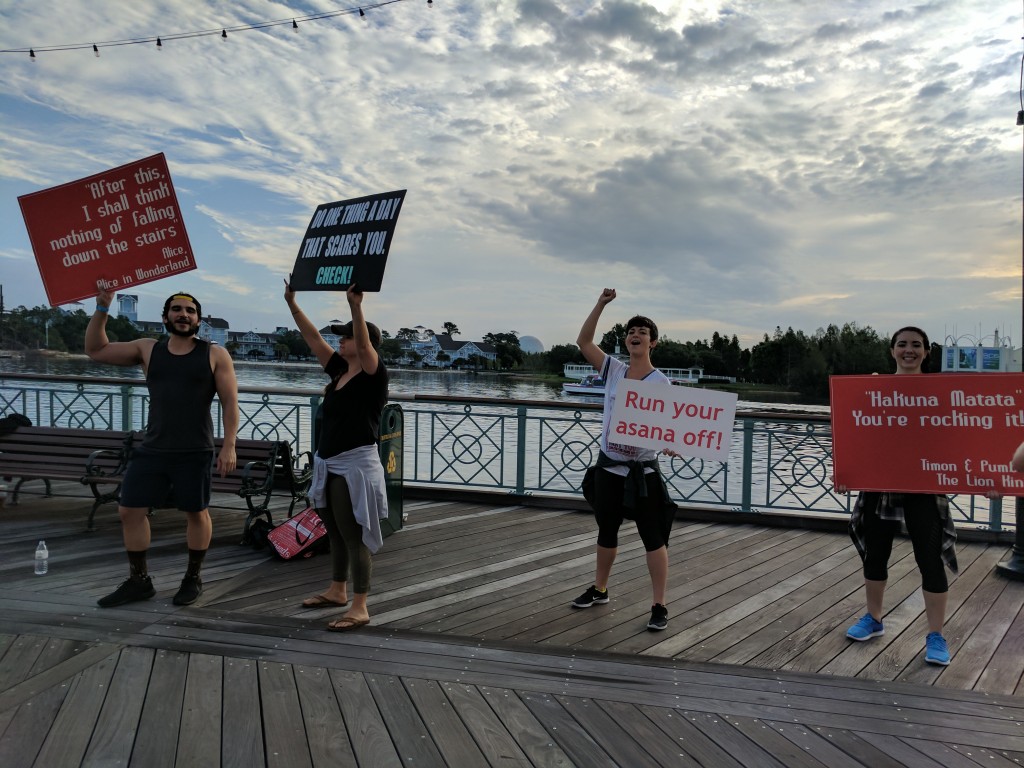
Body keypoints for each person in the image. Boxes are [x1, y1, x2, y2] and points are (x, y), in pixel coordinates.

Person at [86, 286, 239, 607]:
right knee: (129, 510)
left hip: (194, 450)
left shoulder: (214, 354)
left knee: (196, 513)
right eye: (177, 309)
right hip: (153, 448)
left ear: (198, 319)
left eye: (190, 310)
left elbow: (229, 403)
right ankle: (139, 581)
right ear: (166, 316)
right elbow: (96, 350)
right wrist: (102, 308)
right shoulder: (148, 349)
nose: (184, 314)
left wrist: (229, 445)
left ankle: (192, 578)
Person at [845, 326, 957, 665]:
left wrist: (983, 477)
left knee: (930, 559)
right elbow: (857, 433)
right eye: (902, 344)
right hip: (881, 485)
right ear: (892, 350)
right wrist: (846, 473)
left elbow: (960, 433)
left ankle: (936, 636)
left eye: (917, 345)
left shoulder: (941, 390)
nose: (909, 350)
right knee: (875, 555)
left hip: (924, 487)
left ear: (926, 352)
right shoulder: (874, 388)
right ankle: (874, 619)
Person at [284, 278, 389, 632]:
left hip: (355, 464)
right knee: (333, 530)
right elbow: (313, 339)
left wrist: (356, 307)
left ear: (365, 344)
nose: (340, 339)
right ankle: (336, 589)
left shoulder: (374, 375)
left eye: (346, 335)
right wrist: (292, 304)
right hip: (329, 463)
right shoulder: (340, 372)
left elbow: (362, 340)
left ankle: (360, 605)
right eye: (340, 335)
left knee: (353, 533)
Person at [571, 288, 676, 631]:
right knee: (607, 530)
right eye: (631, 331)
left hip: (642, 471)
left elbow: (672, 427)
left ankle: (659, 604)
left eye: (643, 332)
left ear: (653, 343)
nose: (636, 335)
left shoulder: (662, 383)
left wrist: (673, 443)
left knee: (653, 536)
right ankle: (600, 588)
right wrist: (601, 304)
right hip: (610, 466)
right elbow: (584, 342)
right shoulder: (613, 371)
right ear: (626, 340)